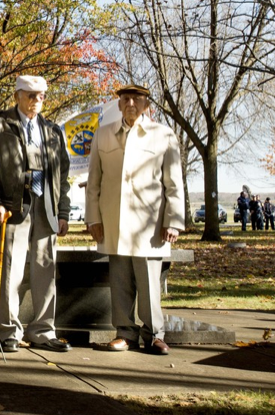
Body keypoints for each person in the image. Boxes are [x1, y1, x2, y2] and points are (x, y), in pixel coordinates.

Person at [86, 84, 184, 355]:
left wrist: (173, 220)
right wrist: (93, 218)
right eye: (125, 99)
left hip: (149, 225)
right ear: (118, 105)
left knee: (149, 282)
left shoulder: (162, 135)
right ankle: (124, 333)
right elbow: (94, 181)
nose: (130, 103)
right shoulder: (103, 134)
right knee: (119, 280)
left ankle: (154, 334)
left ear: (146, 105)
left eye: (136, 99)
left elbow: (174, 184)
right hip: (114, 222)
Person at [0, 75, 72, 354]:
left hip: (46, 208)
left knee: (45, 269)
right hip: (11, 208)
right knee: (10, 269)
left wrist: (63, 211)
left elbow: (62, 176)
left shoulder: (53, 131)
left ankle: (43, 330)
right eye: (31, 95)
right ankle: (8, 331)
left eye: (41, 96)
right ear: (17, 95)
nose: (36, 101)